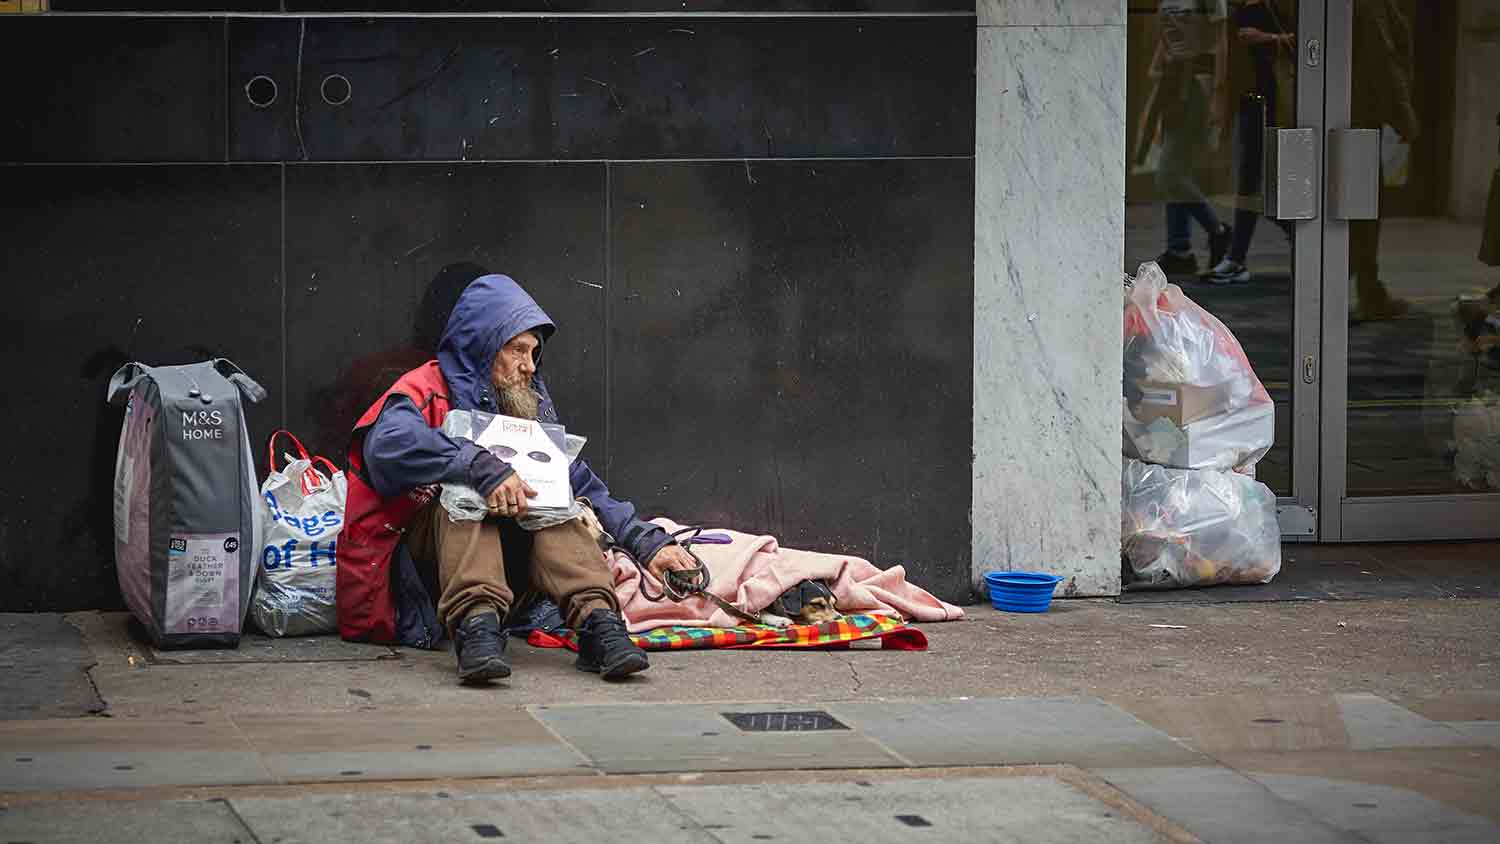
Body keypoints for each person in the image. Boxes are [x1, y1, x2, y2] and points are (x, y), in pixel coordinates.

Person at [335, 266, 699, 684]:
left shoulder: (524, 402)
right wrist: (481, 468)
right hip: (420, 579)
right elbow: (387, 447)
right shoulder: (423, 387)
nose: (529, 366)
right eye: (516, 350)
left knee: (553, 498)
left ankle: (599, 624)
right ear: (482, 346)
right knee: (468, 494)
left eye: (533, 353)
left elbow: (576, 478)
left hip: (507, 579)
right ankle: (476, 629)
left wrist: (647, 544)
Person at [1203, 0, 1296, 284]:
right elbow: (1227, 61)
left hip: (1280, 102)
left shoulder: (1281, 7)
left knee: (1273, 184)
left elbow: (1313, 40)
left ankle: (1303, 241)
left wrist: (1267, 38)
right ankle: (1236, 257)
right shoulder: (1235, 10)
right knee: (1249, 180)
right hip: (1250, 103)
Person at [1148, 0, 1234, 277]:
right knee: (1176, 170)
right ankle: (1179, 249)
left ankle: (1219, 231)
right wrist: (1157, 68)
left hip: (1199, 80)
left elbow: (1222, 41)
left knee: (1169, 174)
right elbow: (1167, 34)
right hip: (1173, 80)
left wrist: (1219, 93)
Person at [1348, 0, 1421, 321]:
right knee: (1363, 213)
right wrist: (1403, 117)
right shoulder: (1372, 5)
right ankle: (1367, 292)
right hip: (1357, 117)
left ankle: (1364, 288)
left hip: (1344, 112)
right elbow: (1382, 59)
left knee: (1355, 213)